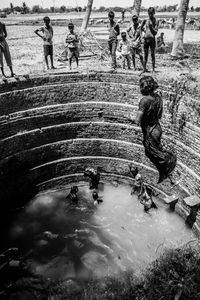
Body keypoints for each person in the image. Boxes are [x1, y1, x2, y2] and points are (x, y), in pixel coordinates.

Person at [135, 76, 177, 184]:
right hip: (157, 128)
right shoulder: (158, 97)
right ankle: (164, 172)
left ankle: (169, 161)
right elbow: (159, 114)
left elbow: (137, 119)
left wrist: (134, 116)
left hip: (150, 130)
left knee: (154, 152)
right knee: (151, 152)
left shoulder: (144, 100)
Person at [141, 7, 159, 73]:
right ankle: (144, 69)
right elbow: (140, 28)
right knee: (145, 55)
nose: (150, 15)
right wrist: (142, 35)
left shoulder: (156, 21)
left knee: (152, 55)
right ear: (148, 13)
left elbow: (156, 32)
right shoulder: (145, 20)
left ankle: (153, 69)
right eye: (149, 13)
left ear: (154, 13)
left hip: (152, 40)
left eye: (152, 13)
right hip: (146, 39)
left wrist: (151, 27)